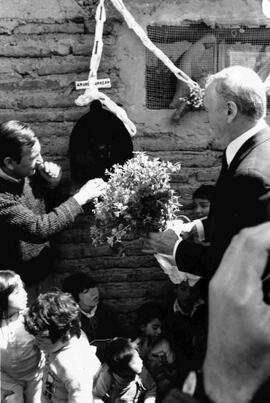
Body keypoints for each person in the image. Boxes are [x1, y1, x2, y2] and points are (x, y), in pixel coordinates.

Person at [144, 65, 270, 282]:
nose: (207, 119)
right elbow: (238, 216)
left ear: (230, 111)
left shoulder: (251, 174)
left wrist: (175, 248)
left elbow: (241, 263)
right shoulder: (249, 148)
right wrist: (198, 227)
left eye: (208, 110)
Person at [0, 120, 106, 289]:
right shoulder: (2, 198)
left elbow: (49, 210)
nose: (41, 161)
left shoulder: (26, 173)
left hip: (41, 273)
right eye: (34, 158)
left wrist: (52, 185)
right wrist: (81, 197)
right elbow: (38, 228)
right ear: (9, 163)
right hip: (14, 287)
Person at [24, 290, 101, 403]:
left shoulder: (74, 368)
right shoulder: (63, 339)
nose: (35, 342)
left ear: (65, 334)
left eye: (41, 338)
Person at [0, 270, 44, 403]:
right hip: (6, 378)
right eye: (18, 292)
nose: (25, 294)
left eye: (24, 289)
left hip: (34, 376)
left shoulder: (30, 318)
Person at [62, 271, 120, 359]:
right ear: (75, 297)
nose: (94, 292)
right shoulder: (73, 320)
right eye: (86, 291)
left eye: (93, 287)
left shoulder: (108, 312)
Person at [133, 303, 177, 399]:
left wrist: (165, 366)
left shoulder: (163, 345)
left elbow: (173, 371)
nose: (160, 331)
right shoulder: (135, 347)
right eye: (155, 328)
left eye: (161, 327)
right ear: (142, 327)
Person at [93, 337, 156, 403]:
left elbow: (151, 389)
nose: (140, 361)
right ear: (122, 367)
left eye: (138, 357)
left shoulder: (142, 372)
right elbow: (96, 396)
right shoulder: (107, 375)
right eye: (134, 363)